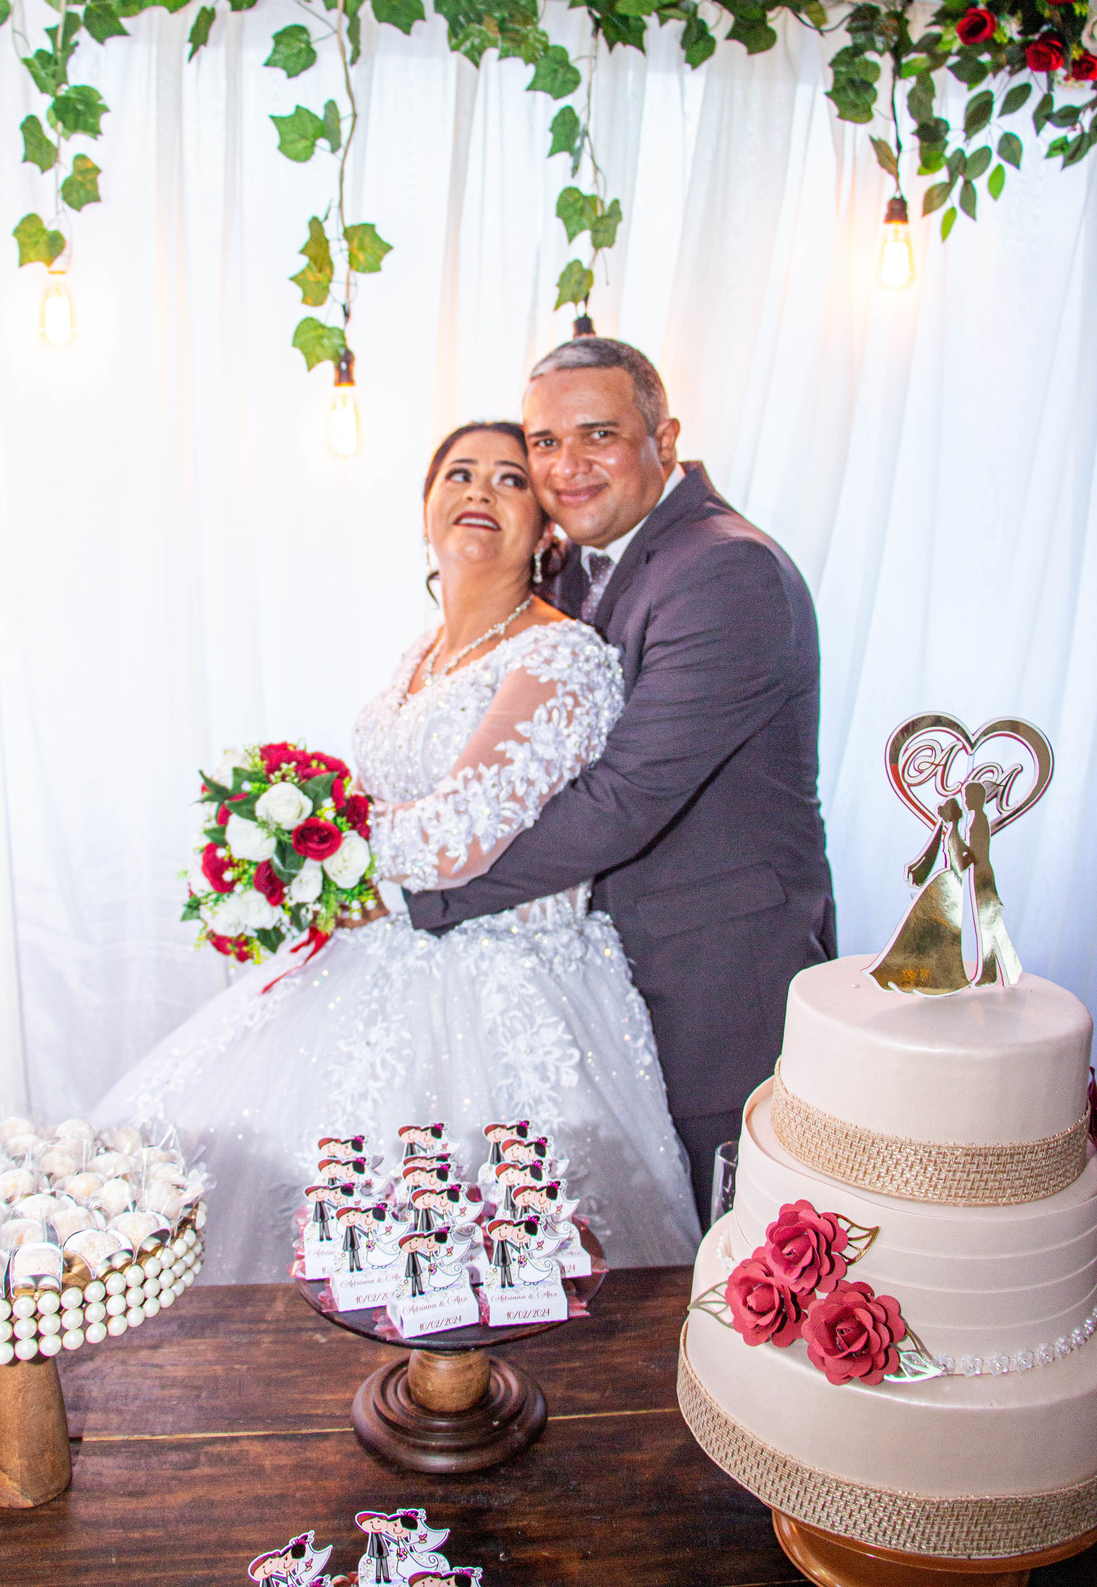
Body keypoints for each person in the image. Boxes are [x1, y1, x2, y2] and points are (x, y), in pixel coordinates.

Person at [91, 419, 700, 1281]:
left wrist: (309, 848)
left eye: (510, 479)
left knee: (484, 1246)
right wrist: (303, 839)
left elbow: (461, 834)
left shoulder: (560, 654)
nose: (480, 490)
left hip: (501, 981)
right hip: (379, 948)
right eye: (459, 473)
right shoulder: (420, 653)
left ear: (546, 530)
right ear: (425, 514)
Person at [404, 339, 836, 1226]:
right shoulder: (575, 568)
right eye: (545, 443)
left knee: (726, 1249)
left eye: (597, 434)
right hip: (597, 988)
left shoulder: (726, 570)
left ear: (664, 440)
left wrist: (420, 893)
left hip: (716, 986)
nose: (566, 466)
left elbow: (625, 798)